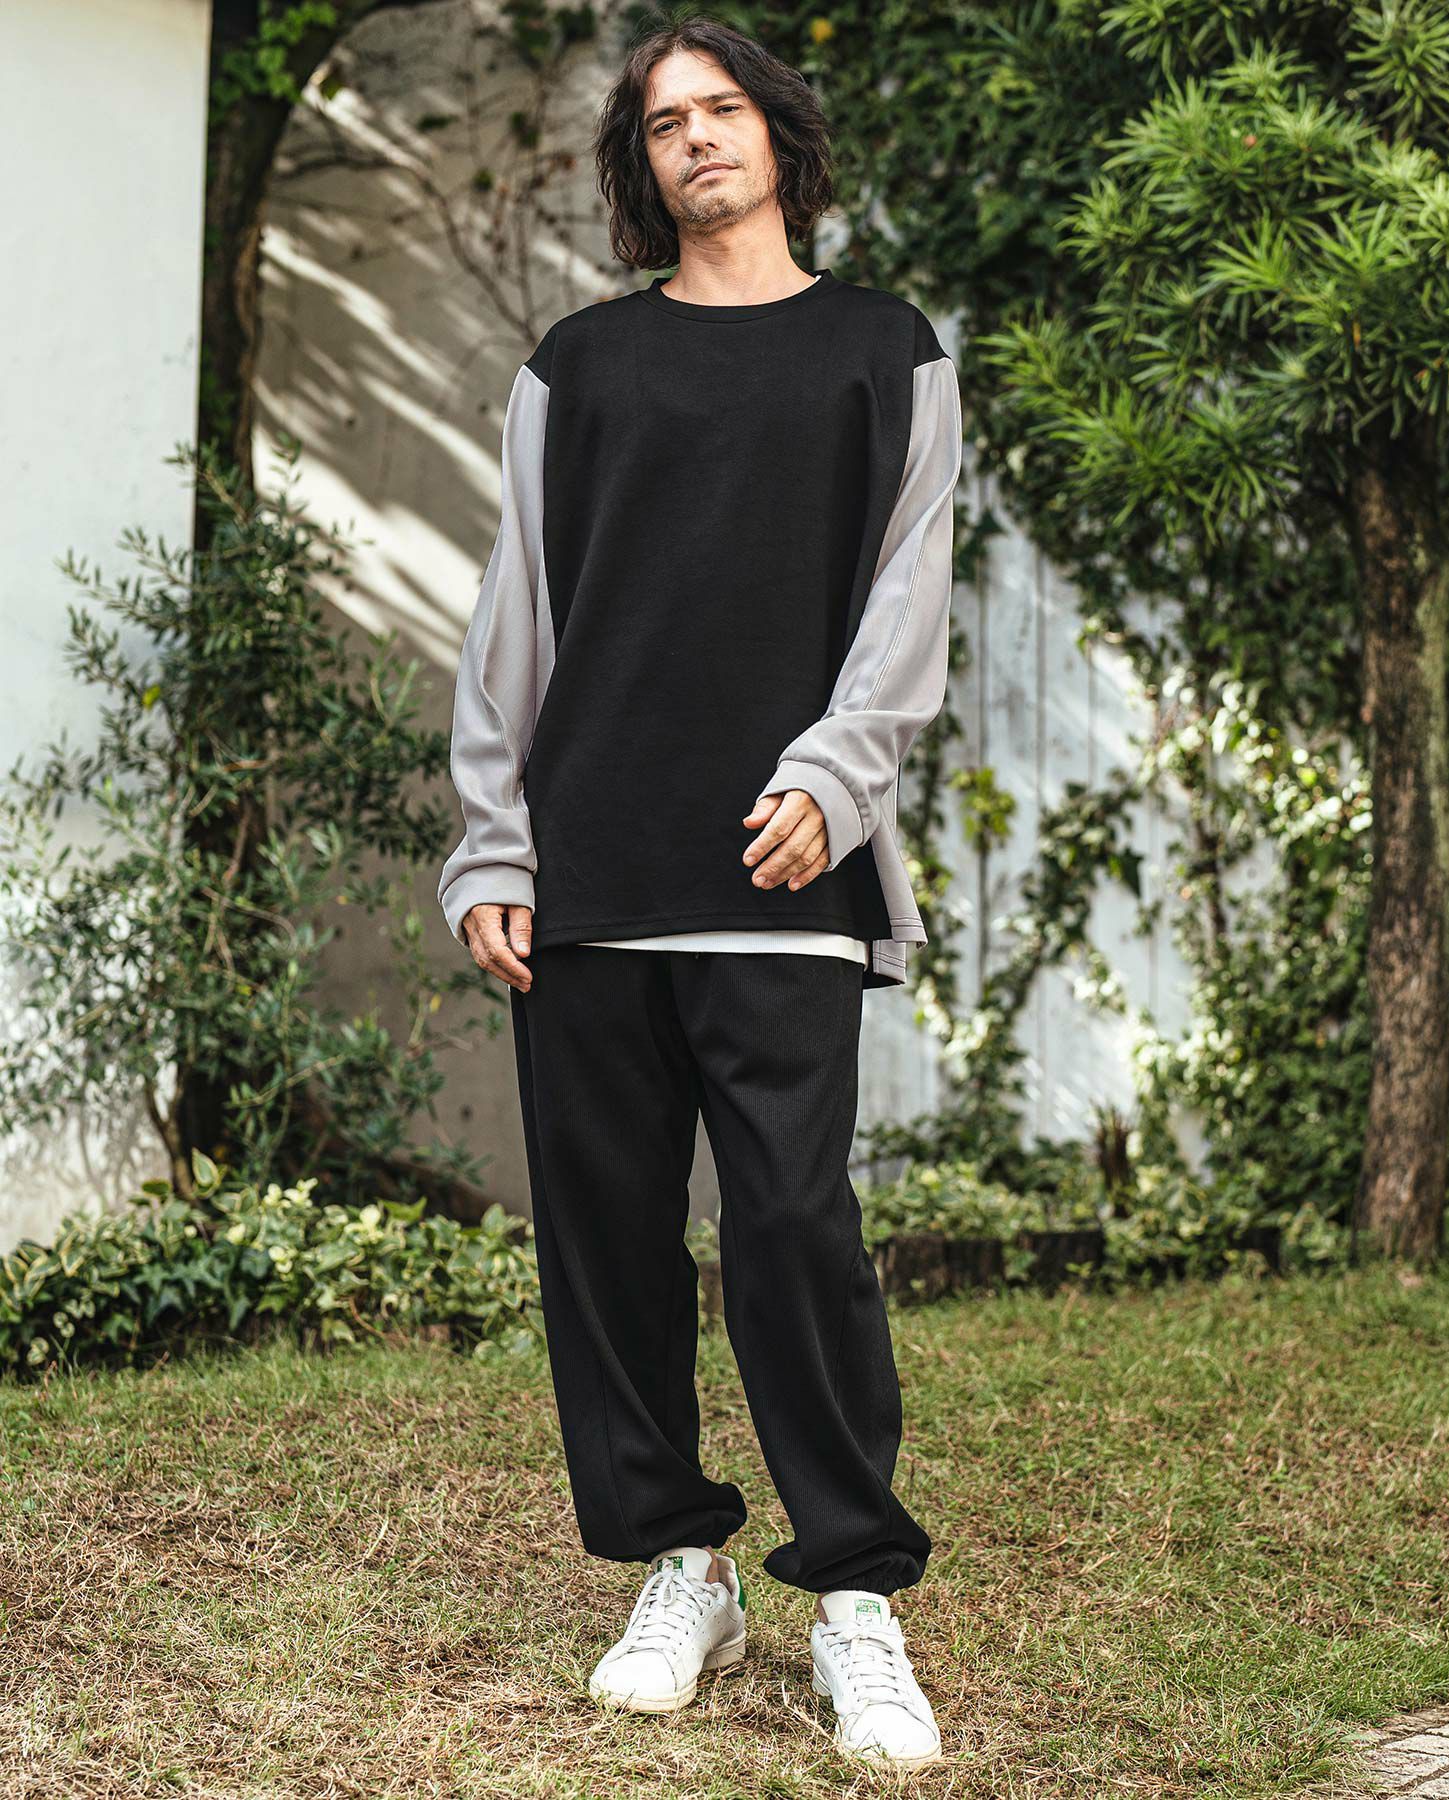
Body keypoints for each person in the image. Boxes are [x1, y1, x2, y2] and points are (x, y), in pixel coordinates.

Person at [436, 14, 961, 1771]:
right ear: (640, 164)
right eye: (664, 124)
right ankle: (683, 1562)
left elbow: (906, 605)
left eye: (721, 109)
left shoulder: (884, 351)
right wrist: (494, 841)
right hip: (590, 868)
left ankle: (855, 1592)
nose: (696, 141)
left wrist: (835, 779)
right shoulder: (578, 366)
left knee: (794, 1228)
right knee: (604, 1238)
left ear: (779, 136)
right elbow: (514, 614)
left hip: (780, 866)